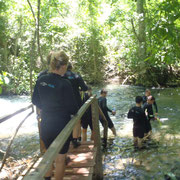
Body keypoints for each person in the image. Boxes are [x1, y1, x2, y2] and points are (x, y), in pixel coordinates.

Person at [32, 51, 78, 180]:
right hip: (61, 125)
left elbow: (35, 100)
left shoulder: (41, 80)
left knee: (48, 156)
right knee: (60, 160)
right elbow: (73, 108)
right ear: (63, 66)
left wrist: (47, 107)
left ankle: (47, 178)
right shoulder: (65, 83)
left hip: (46, 123)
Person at [64, 63, 88, 147]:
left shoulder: (61, 76)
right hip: (76, 101)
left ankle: (68, 139)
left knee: (66, 120)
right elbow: (85, 88)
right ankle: (75, 139)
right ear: (72, 67)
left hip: (63, 101)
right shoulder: (76, 76)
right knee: (77, 119)